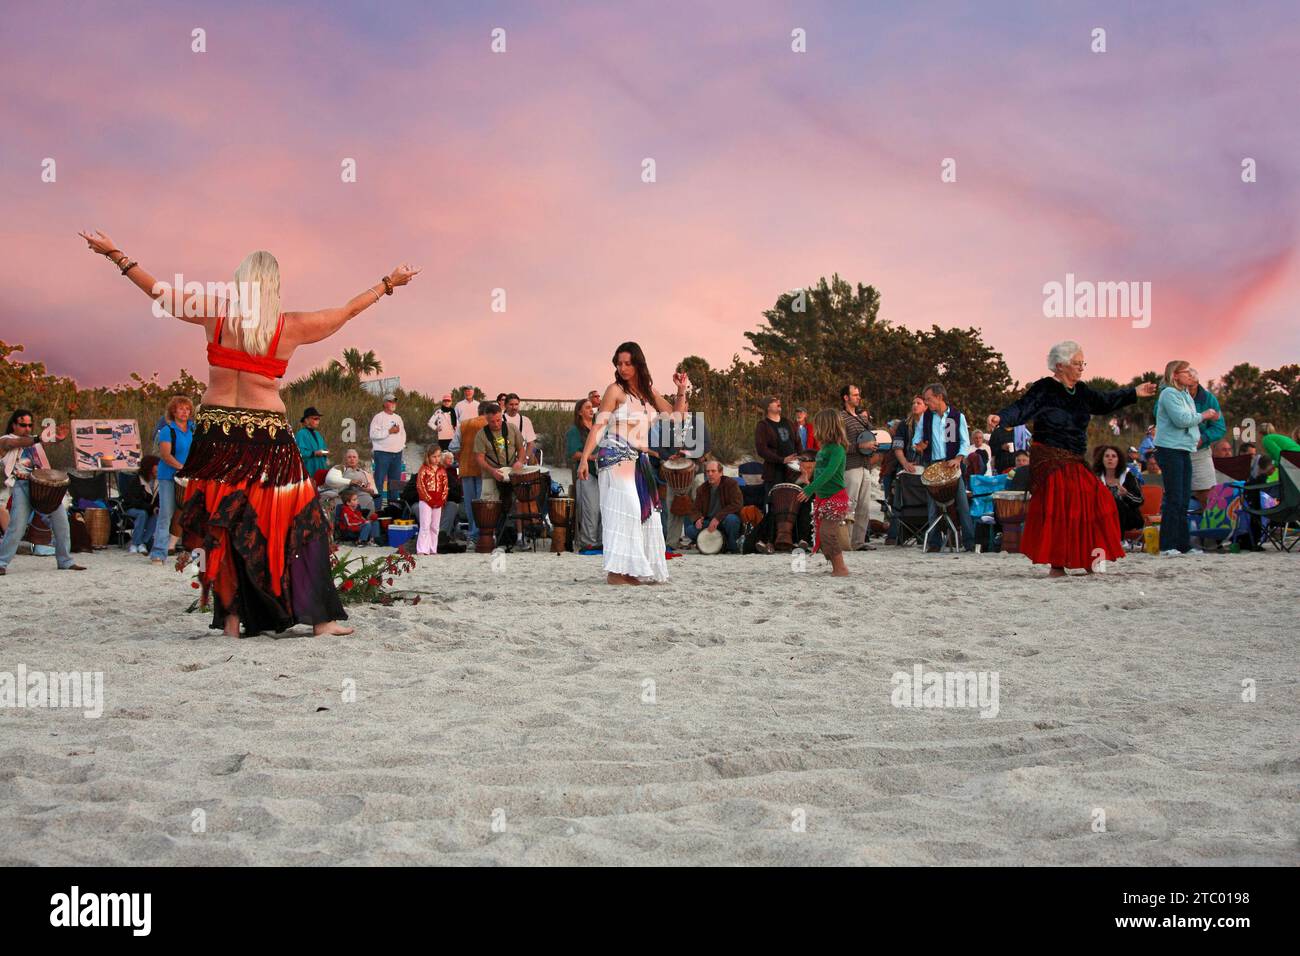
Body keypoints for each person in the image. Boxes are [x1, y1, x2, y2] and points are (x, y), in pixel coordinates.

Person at [80, 227, 419, 635]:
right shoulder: (289, 327)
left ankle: (231, 620)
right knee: (299, 519)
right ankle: (322, 621)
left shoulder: (215, 314)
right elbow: (347, 311)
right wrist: (388, 283)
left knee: (226, 523)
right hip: (268, 438)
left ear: (240, 282)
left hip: (218, 434)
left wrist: (115, 253)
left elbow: (159, 293)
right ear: (275, 286)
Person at [988, 340, 1157, 575]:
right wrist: (1001, 418)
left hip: (1075, 458)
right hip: (1050, 457)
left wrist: (1133, 393)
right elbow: (1022, 407)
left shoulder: (1082, 391)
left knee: (1099, 501)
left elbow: (1104, 401)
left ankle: (1087, 559)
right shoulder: (1045, 388)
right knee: (1063, 507)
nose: (1081, 368)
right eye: (1077, 363)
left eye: (1082, 363)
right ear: (1060, 366)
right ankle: (1057, 566)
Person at [576, 342, 689, 585]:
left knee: (648, 517)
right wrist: (585, 458)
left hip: (639, 460)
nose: (623, 368)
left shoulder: (648, 391)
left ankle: (633, 571)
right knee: (627, 510)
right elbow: (598, 425)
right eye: (619, 363)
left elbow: (677, 417)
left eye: (628, 363)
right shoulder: (614, 390)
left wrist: (681, 390)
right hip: (614, 455)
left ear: (638, 363)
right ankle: (617, 573)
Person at [0, 410, 84, 575]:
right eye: (23, 425)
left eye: (30, 425)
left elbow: (44, 442)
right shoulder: (5, 440)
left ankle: (65, 561)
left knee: (61, 523)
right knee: (16, 527)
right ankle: (1, 563)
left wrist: (58, 438)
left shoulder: (34, 442)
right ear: (13, 425)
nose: (27, 428)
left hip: (45, 487)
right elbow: (16, 443)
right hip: (23, 487)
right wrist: (39, 438)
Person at [1153, 360, 1217, 556]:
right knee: (1174, 498)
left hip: (1183, 449)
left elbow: (1190, 418)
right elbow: (1182, 420)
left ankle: (1183, 545)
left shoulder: (1184, 394)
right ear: (1175, 375)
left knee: (1182, 499)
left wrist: (1201, 418)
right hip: (1170, 449)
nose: (1190, 375)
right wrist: (1204, 415)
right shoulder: (1168, 393)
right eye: (1186, 372)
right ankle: (1167, 545)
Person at [913, 383, 976, 552]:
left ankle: (969, 543)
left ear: (939, 397)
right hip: (933, 465)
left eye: (929, 399)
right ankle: (934, 543)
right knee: (932, 507)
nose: (927, 403)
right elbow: (916, 439)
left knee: (962, 505)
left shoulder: (956, 417)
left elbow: (965, 442)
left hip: (952, 466)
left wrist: (958, 458)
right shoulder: (926, 417)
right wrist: (918, 447)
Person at [797, 408, 850, 576]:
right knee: (823, 533)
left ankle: (841, 569)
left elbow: (829, 473)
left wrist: (809, 489)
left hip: (836, 497)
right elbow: (820, 472)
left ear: (827, 427)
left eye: (818, 425)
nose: (815, 429)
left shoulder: (837, 449)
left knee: (827, 533)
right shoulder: (824, 448)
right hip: (823, 498)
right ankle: (836, 567)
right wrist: (809, 480)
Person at [150, 395, 195, 564]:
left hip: (187, 478)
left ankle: (191, 550)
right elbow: (166, 455)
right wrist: (183, 468)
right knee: (166, 513)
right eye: (181, 409)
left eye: (187, 409)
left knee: (188, 513)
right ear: (173, 411)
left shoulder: (194, 430)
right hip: (168, 476)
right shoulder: (167, 431)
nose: (184, 412)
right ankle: (158, 552)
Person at [682, 458, 742, 553]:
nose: (710, 474)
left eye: (713, 471)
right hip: (709, 522)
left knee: (732, 520)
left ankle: (732, 546)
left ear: (721, 472)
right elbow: (695, 509)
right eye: (708, 471)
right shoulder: (702, 489)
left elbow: (737, 504)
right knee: (690, 530)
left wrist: (718, 518)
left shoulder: (731, 484)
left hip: (724, 520)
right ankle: (709, 544)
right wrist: (697, 518)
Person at [566, 399, 602, 552]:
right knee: (590, 509)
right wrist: (592, 457)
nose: (591, 410)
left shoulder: (598, 429)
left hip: (601, 473)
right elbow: (573, 453)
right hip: (586, 473)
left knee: (601, 509)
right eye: (587, 407)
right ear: (579, 412)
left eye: (591, 407)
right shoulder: (574, 430)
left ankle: (600, 541)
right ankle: (588, 542)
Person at [1187, 370, 1225, 508]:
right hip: (1174, 451)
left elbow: (1219, 427)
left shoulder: (1209, 399)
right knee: (1175, 494)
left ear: (1197, 383)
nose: (1186, 390)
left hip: (1199, 452)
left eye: (1190, 386)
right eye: (1182, 386)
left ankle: (1209, 525)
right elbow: (1158, 415)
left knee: (1207, 493)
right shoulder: (1170, 395)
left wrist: (1203, 438)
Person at [1093, 444, 1144, 538]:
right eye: (1107, 456)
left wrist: (1126, 495)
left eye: (1113, 456)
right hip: (1102, 516)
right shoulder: (1095, 478)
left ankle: (1117, 540)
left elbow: (1140, 500)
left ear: (1119, 459)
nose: (1110, 459)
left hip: (1129, 517)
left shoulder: (1128, 476)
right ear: (1102, 459)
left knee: (1116, 503)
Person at [369, 393, 406, 510]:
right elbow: (373, 434)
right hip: (382, 453)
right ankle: (378, 509)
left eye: (394, 401)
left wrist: (401, 446)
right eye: (390, 401)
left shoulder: (398, 418)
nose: (393, 404)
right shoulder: (378, 417)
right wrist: (389, 431)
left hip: (397, 454)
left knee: (394, 482)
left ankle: (393, 508)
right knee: (379, 481)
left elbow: (403, 433)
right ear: (385, 403)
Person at [459, 402, 490, 542]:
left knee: (470, 504)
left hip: (466, 468)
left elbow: (453, 446)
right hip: (484, 469)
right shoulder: (491, 425)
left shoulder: (464, 424)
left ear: (478, 411)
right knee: (482, 503)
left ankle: (472, 534)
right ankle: (481, 534)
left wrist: (463, 455)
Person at [123, 454, 161, 554]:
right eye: (157, 465)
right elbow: (133, 501)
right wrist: (150, 508)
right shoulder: (136, 481)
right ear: (150, 466)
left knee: (157, 515)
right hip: (132, 508)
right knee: (142, 513)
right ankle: (135, 543)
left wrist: (156, 507)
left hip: (148, 509)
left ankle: (142, 543)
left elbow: (158, 500)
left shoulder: (158, 482)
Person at [415, 446, 449, 555]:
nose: (437, 459)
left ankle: (432, 549)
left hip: (438, 502)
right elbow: (420, 486)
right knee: (425, 525)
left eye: (439, 456)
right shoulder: (423, 469)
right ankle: (422, 549)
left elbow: (445, 487)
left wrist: (441, 500)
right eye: (434, 457)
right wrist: (429, 500)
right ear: (428, 457)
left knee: (435, 526)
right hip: (425, 502)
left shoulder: (442, 470)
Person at [503, 394, 537, 463]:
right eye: (511, 404)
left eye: (516, 404)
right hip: (504, 459)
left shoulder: (526, 420)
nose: (514, 407)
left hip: (521, 459)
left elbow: (530, 443)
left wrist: (526, 458)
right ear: (505, 405)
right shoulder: (499, 420)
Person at [295, 406, 329, 472]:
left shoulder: (317, 434)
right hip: (308, 472)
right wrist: (314, 453)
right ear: (306, 420)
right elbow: (299, 453)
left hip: (321, 470)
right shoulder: (301, 434)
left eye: (319, 419)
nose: (318, 421)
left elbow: (324, 449)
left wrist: (326, 452)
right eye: (315, 418)